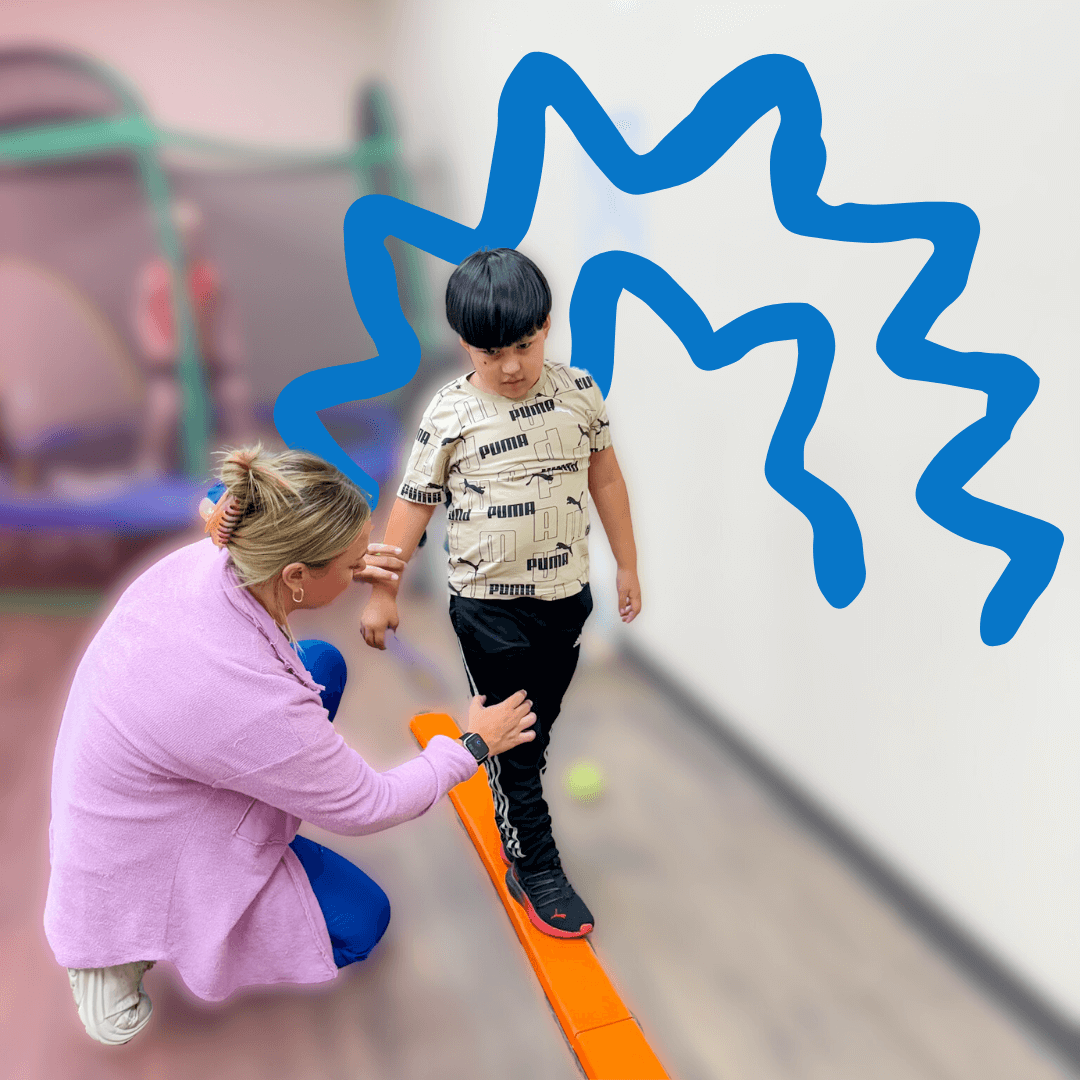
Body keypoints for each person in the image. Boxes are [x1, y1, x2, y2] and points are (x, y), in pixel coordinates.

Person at [44, 444, 537, 1045]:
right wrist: (472, 746)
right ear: (296, 576)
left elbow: (266, 680)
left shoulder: (220, 554)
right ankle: (112, 955)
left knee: (319, 663)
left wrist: (366, 568)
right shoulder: (246, 700)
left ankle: (262, 816)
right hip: (135, 861)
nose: (363, 570)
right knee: (362, 921)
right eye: (353, 561)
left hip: (156, 776)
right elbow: (370, 805)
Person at [360, 248, 641, 939]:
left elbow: (606, 478)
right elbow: (412, 504)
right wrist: (383, 592)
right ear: (464, 346)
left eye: (524, 344)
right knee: (518, 744)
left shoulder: (578, 392)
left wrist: (627, 567)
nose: (511, 366)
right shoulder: (452, 411)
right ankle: (534, 863)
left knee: (532, 730)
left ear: (547, 325)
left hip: (566, 598)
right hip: (489, 608)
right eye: (492, 353)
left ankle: (505, 767)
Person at [132, 199, 255, 475]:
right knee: (164, 405)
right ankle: (149, 463)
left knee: (236, 395)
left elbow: (226, 313)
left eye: (191, 236)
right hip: (170, 364)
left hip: (207, 360)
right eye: (179, 235)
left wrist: (227, 348)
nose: (185, 242)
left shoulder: (210, 274)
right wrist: (157, 348)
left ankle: (250, 458)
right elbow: (143, 318)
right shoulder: (154, 276)